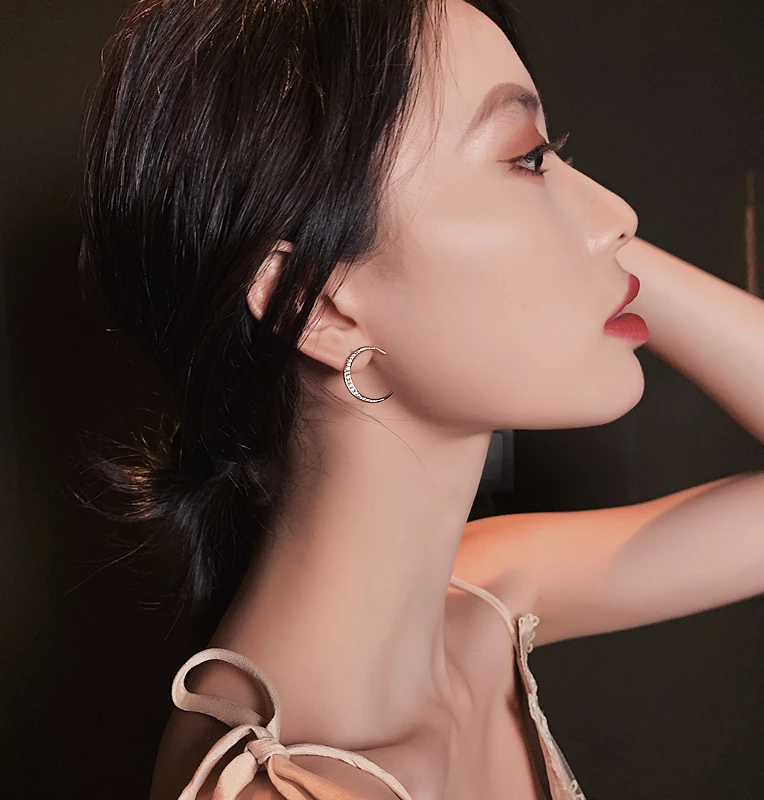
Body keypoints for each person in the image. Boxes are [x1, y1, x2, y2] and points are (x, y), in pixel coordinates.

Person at [77, 0, 764, 798]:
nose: (621, 217)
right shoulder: (285, 787)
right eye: (528, 158)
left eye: (554, 153)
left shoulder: (486, 594)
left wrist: (603, 258)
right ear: (320, 305)